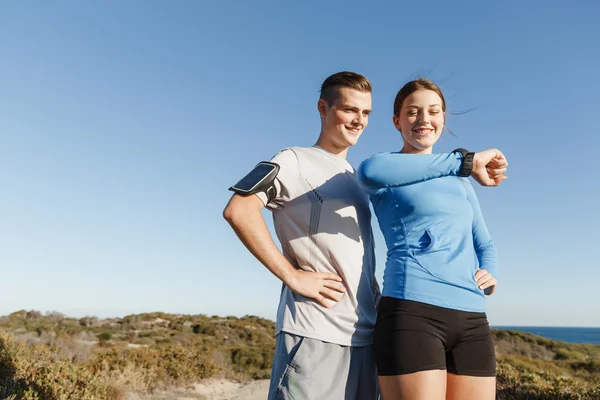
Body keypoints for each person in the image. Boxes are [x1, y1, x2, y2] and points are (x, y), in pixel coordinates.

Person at [223, 72, 506, 400]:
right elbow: (238, 210)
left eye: (365, 113)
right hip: (316, 327)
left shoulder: (351, 177)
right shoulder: (294, 160)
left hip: (363, 331)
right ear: (323, 108)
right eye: (349, 110)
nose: (358, 120)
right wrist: (294, 277)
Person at [357, 78, 506, 400]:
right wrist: (466, 161)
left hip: (472, 318)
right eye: (413, 112)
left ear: (442, 120)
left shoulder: (461, 183)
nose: (424, 120)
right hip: (412, 312)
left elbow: (484, 243)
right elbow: (369, 171)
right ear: (397, 120)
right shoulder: (387, 168)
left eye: (433, 112)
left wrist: (489, 273)